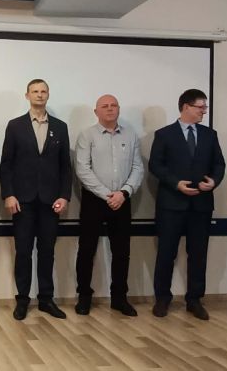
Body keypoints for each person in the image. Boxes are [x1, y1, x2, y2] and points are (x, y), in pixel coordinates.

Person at [149, 88, 224, 320]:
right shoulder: (164, 134)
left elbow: (219, 164)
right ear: (185, 107)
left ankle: (194, 299)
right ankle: (162, 298)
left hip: (201, 205)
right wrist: (176, 183)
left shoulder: (210, 135)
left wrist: (214, 182)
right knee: (166, 253)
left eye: (205, 107)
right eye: (201, 107)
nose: (204, 111)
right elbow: (155, 165)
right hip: (171, 204)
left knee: (198, 254)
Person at [0, 79, 71, 321]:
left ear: (48, 95)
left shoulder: (60, 127)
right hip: (23, 200)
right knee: (23, 251)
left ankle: (46, 299)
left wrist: (64, 195)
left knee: (47, 251)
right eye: (35, 91)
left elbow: (65, 167)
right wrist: (8, 194)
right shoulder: (15, 126)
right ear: (27, 95)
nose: (39, 95)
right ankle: (22, 299)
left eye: (43, 91)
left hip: (51, 201)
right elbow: (6, 164)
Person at [74, 94, 143, 316]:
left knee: (122, 252)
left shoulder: (131, 135)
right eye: (105, 106)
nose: (110, 109)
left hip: (122, 200)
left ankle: (119, 298)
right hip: (94, 200)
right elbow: (82, 169)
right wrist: (107, 195)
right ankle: (84, 297)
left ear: (119, 109)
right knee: (86, 250)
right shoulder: (87, 135)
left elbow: (138, 168)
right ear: (96, 112)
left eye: (114, 105)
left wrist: (124, 193)